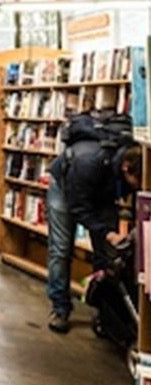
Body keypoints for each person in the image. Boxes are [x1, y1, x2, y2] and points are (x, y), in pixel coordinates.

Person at [45, 112, 141, 334]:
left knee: (107, 255)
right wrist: (108, 232)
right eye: (134, 184)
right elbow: (80, 208)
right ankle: (60, 309)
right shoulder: (88, 162)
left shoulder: (133, 161)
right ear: (126, 168)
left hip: (100, 191)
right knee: (61, 249)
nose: (136, 188)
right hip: (65, 187)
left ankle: (104, 312)